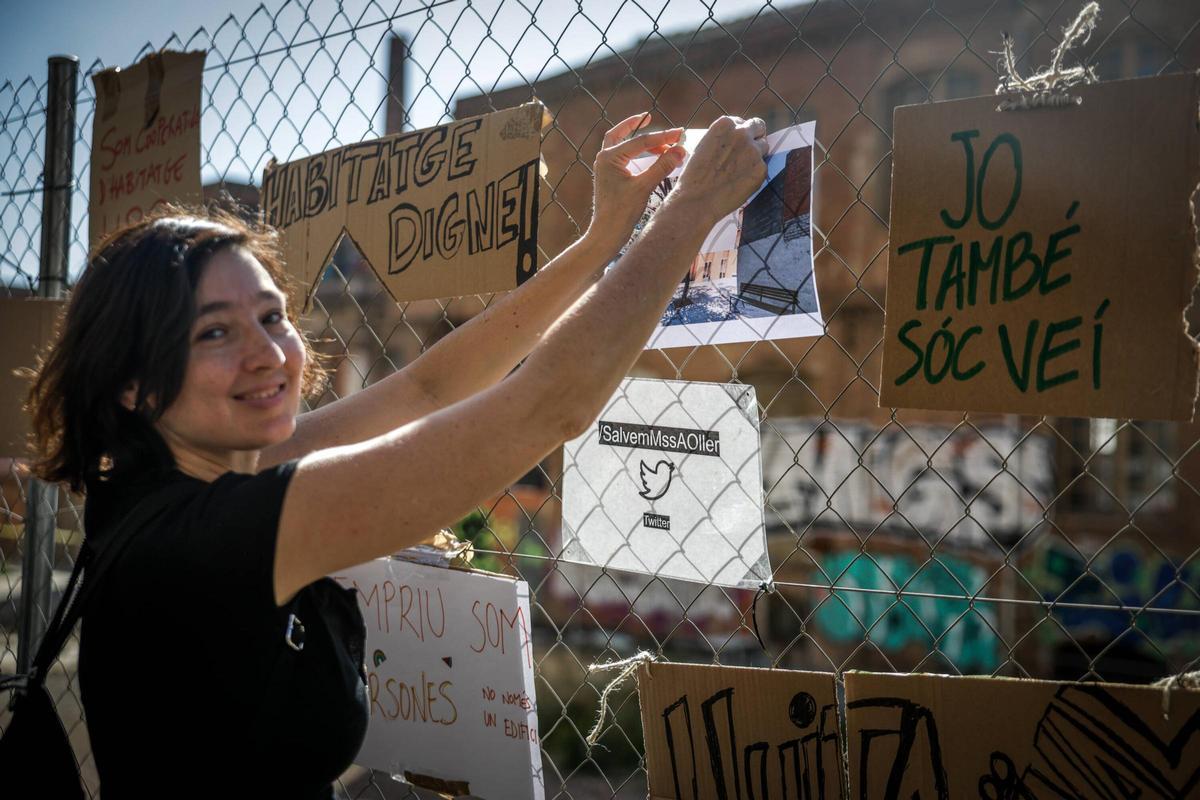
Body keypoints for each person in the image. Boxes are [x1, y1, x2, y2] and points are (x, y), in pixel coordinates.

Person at [26, 112, 766, 796]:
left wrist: (606, 238)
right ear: (130, 382)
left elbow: (427, 387)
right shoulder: (218, 533)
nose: (267, 354)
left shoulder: (185, 480)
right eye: (214, 332)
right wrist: (689, 212)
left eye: (271, 316)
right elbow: (548, 404)